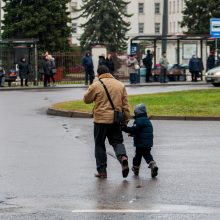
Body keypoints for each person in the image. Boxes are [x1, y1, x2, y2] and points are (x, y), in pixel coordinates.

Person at [83, 65, 131, 179]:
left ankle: (102, 171)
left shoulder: (96, 85)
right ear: (109, 73)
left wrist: (94, 83)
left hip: (100, 120)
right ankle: (123, 157)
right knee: (117, 142)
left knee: (99, 144)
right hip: (115, 120)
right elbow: (126, 105)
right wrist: (126, 119)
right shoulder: (120, 85)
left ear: (98, 74)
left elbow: (86, 99)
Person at [122, 103, 158, 178]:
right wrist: (133, 134)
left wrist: (123, 128)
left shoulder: (139, 120)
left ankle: (135, 168)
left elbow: (134, 129)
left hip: (141, 143)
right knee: (147, 154)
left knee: (137, 156)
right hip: (148, 142)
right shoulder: (147, 120)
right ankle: (153, 164)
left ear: (137, 113)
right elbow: (141, 131)